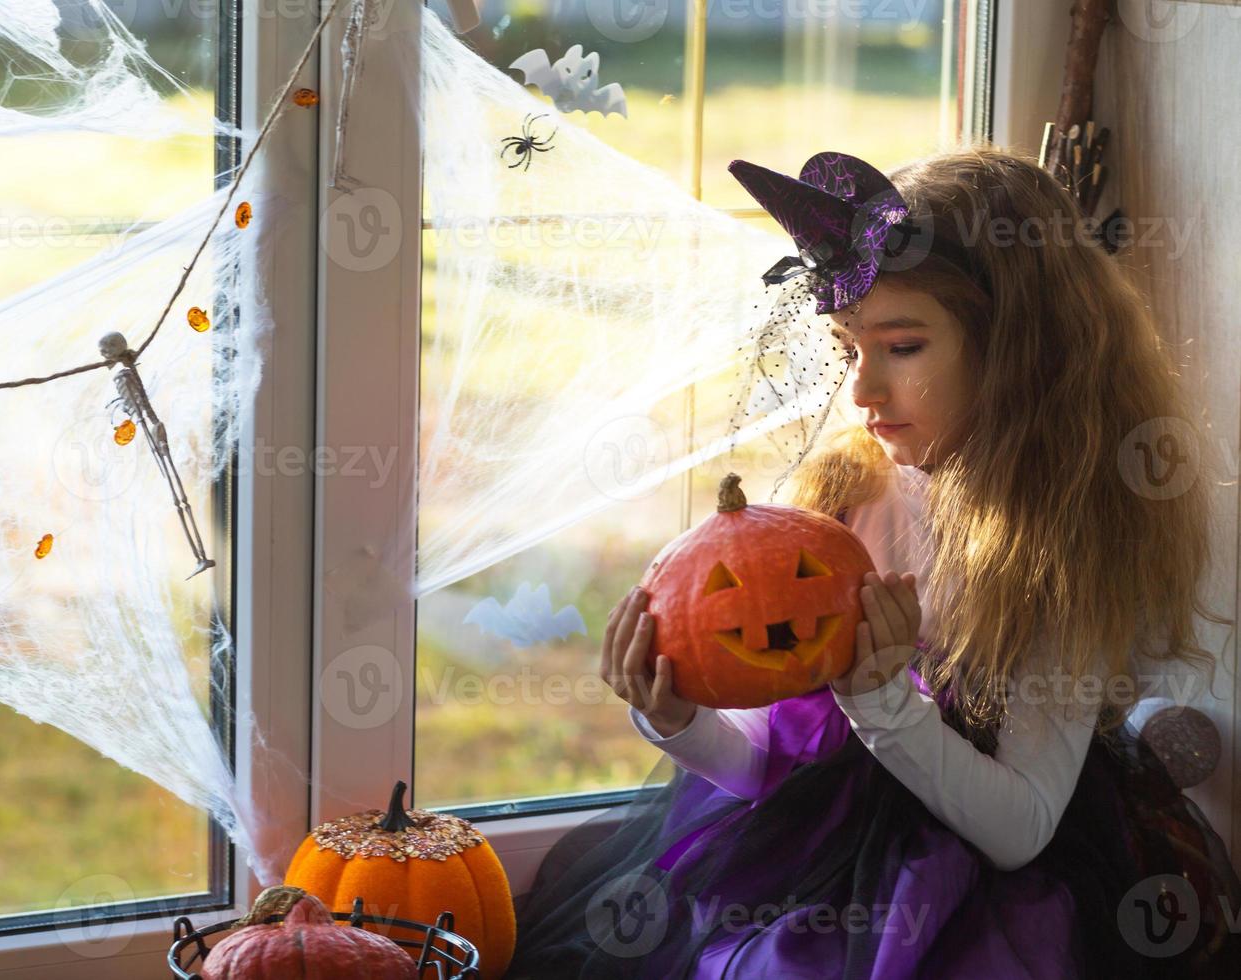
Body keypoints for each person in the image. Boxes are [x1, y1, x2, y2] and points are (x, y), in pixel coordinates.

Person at [505, 145, 1241, 979]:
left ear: (1018, 350)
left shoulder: (1058, 547)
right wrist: (675, 718)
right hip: (813, 854)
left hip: (981, 883)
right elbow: (768, 768)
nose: (862, 392)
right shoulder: (851, 493)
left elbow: (1020, 827)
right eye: (851, 346)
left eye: (903, 347)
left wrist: (879, 698)